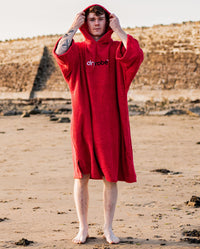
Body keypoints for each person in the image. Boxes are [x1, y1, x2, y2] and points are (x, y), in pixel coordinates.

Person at [53, 4, 143, 244]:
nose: (95, 23)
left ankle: (108, 228)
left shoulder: (116, 49)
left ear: (106, 22)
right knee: (80, 174)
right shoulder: (79, 50)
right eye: (91, 19)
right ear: (86, 22)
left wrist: (120, 31)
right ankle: (83, 228)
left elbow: (135, 55)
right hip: (82, 120)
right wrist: (73, 27)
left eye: (100, 19)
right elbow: (61, 52)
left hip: (110, 121)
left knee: (110, 176)